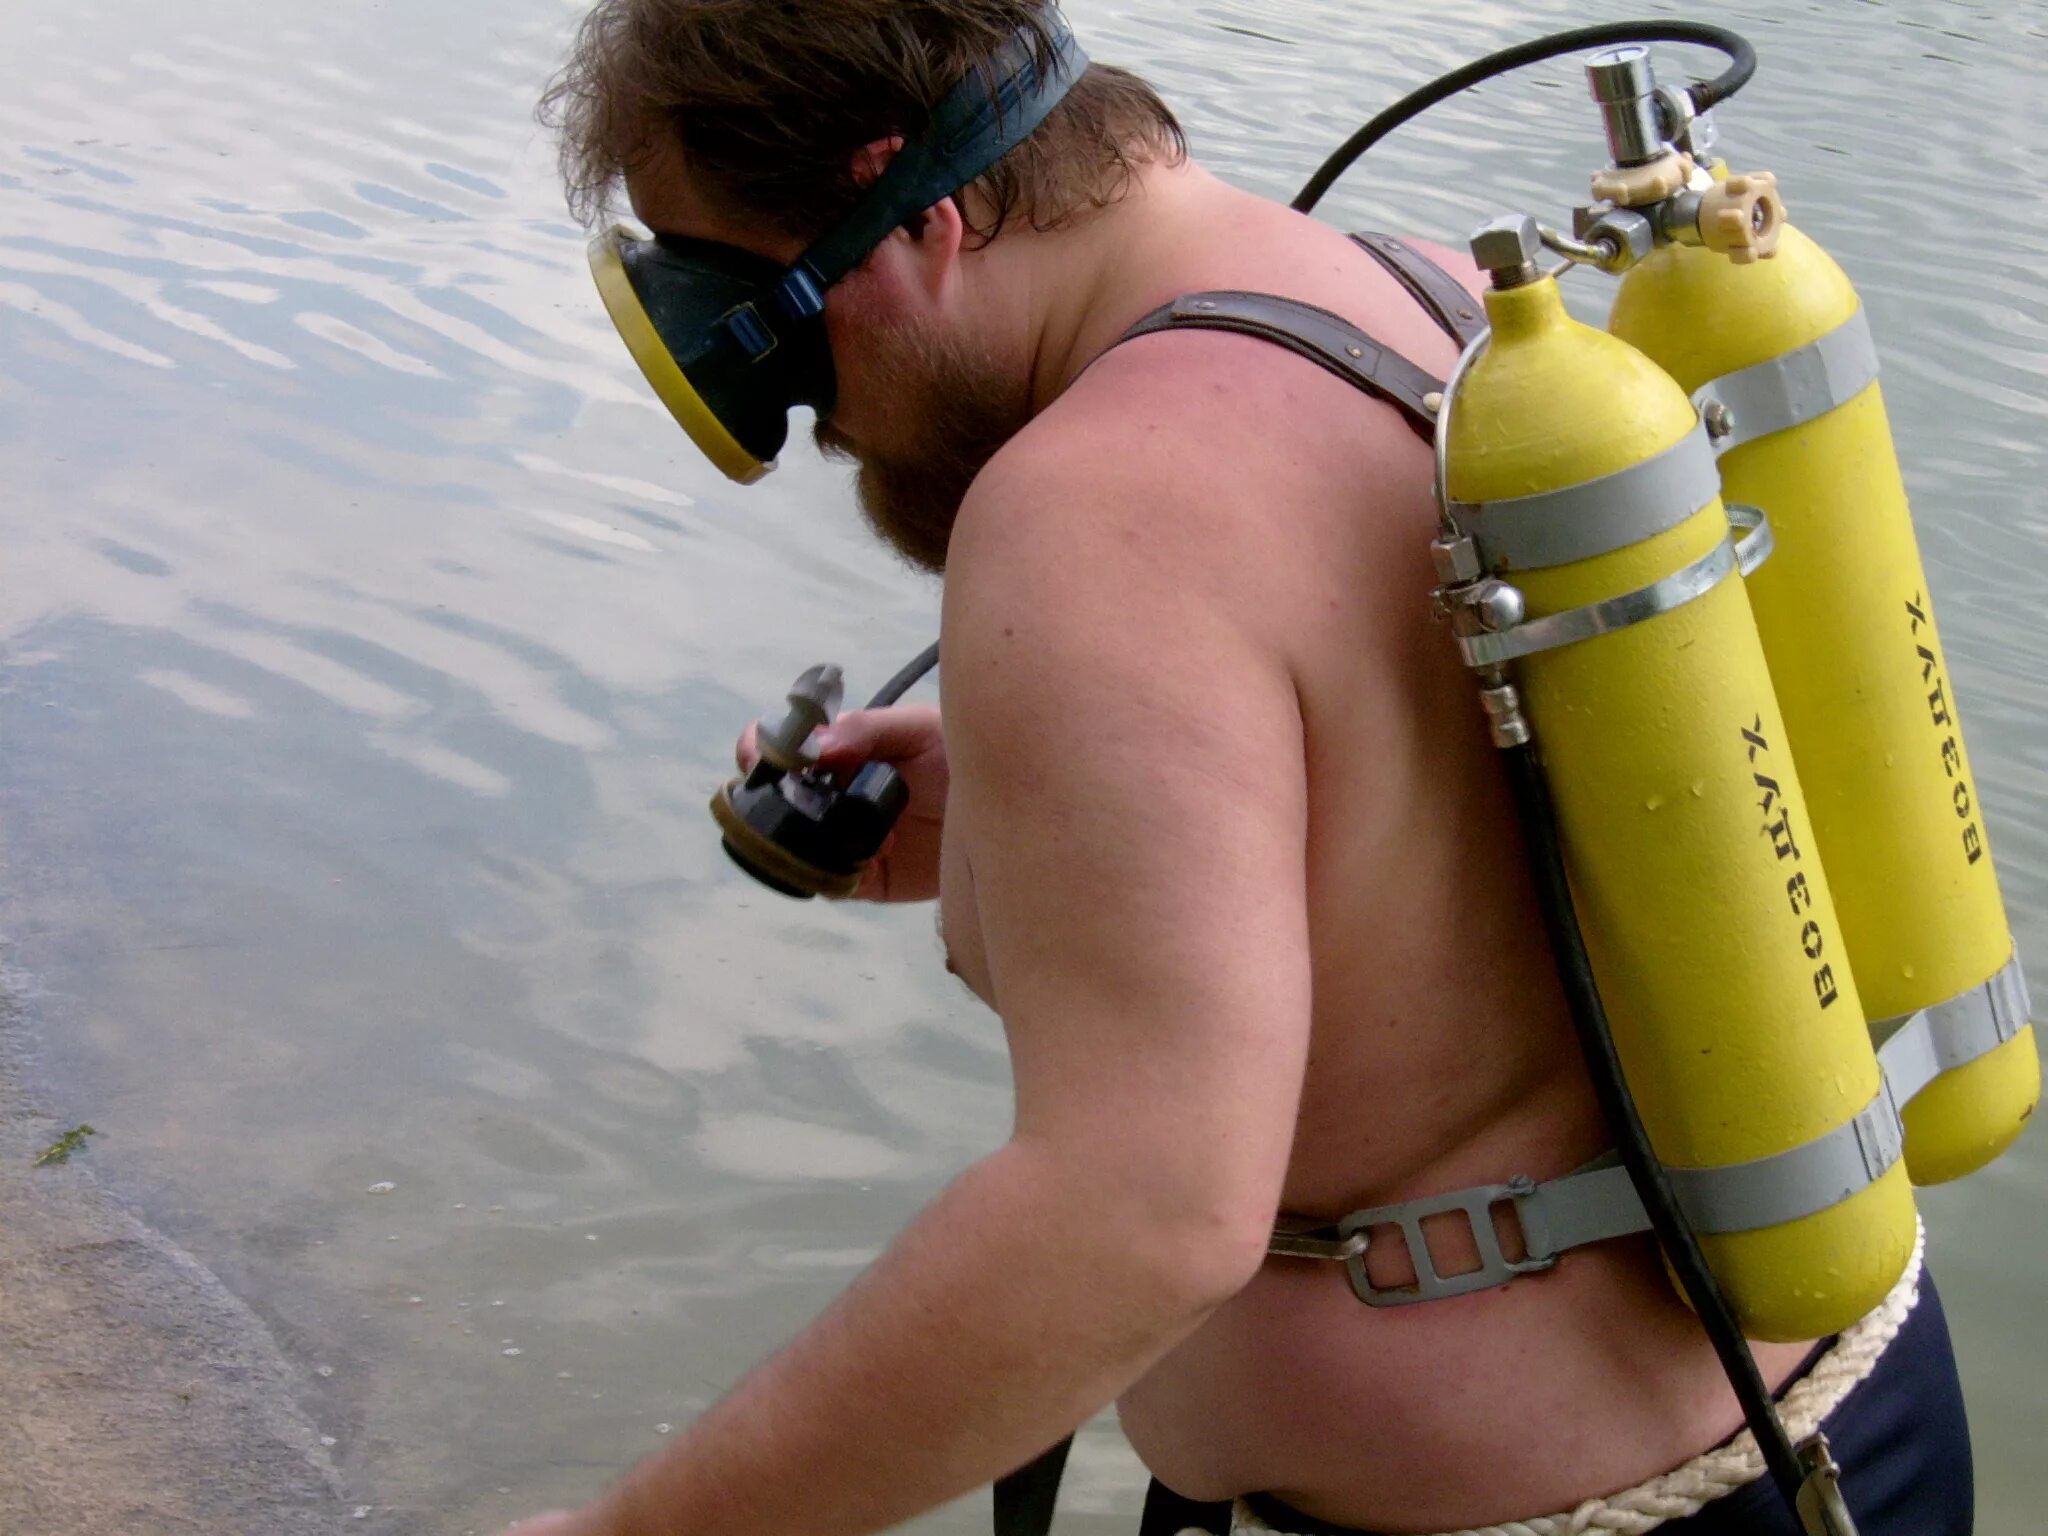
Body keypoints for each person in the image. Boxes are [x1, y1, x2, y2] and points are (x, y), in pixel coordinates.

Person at [510, 4, 1971, 1533]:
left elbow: (1137, 1220)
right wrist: (1065, 798)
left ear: (918, 213)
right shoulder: (1437, 293)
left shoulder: (1089, 514)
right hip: (1845, 1416)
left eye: (763, 325)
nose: (813, 423)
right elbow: (1531, 794)